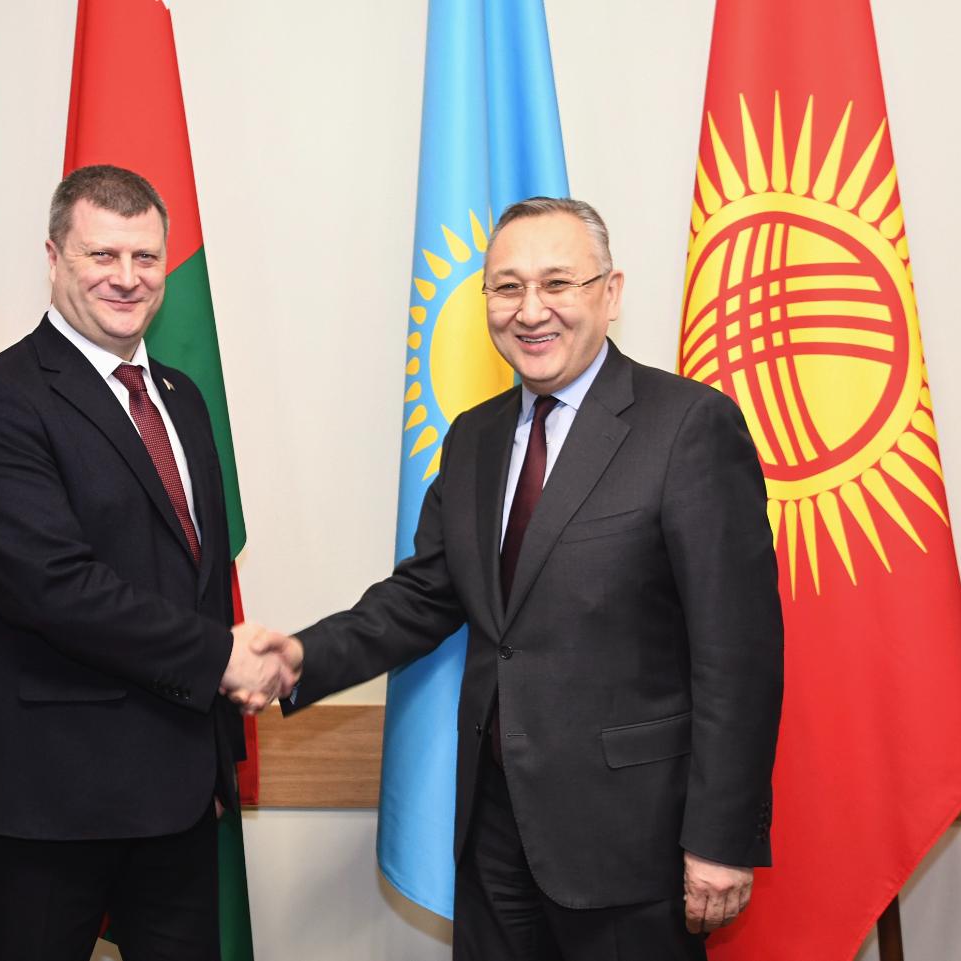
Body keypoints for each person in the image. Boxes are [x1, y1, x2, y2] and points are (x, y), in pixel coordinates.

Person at [259, 198, 783, 960]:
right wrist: (300, 656)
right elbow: (425, 595)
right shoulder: (474, 436)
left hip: (631, 842)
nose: (530, 310)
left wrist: (721, 838)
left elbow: (738, 654)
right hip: (494, 833)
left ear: (610, 292)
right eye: (507, 287)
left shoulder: (689, 426)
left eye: (558, 283)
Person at [0, 164, 292, 961]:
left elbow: (200, 583)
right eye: (102, 255)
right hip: (49, 797)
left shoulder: (182, 397)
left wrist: (217, 761)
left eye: (145, 257)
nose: (127, 278)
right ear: (54, 257)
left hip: (179, 795)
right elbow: (51, 587)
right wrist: (221, 656)